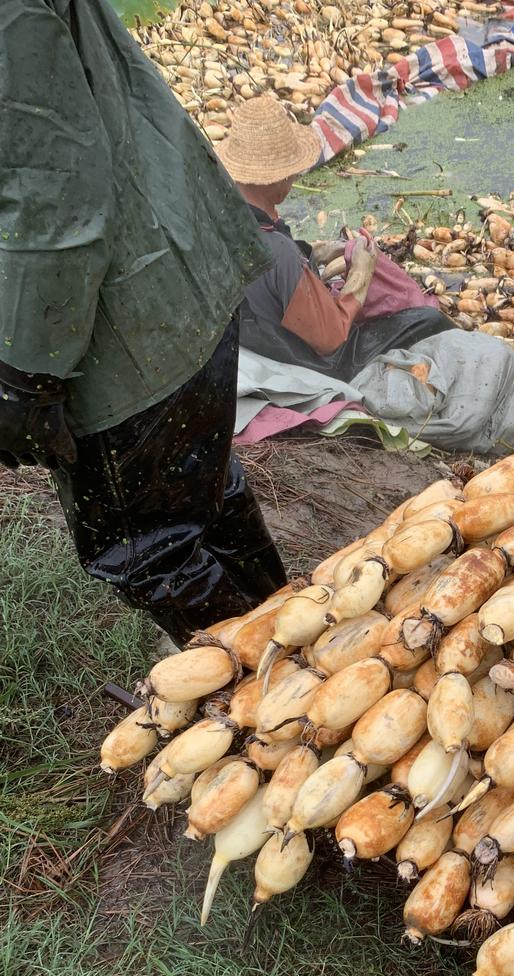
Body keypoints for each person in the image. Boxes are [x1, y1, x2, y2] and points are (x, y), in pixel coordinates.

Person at [0, 0, 286, 644]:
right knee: (201, 492)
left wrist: (27, 376)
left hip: (123, 314)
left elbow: (50, 184)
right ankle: (305, 639)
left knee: (148, 547)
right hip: (173, 246)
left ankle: (284, 709)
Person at [216, 96, 456, 382]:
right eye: (291, 171)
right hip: (314, 365)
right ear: (277, 176)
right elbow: (333, 337)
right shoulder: (279, 254)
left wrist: (318, 252)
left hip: (254, 342)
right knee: (430, 321)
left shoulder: (220, 221)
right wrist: (362, 274)